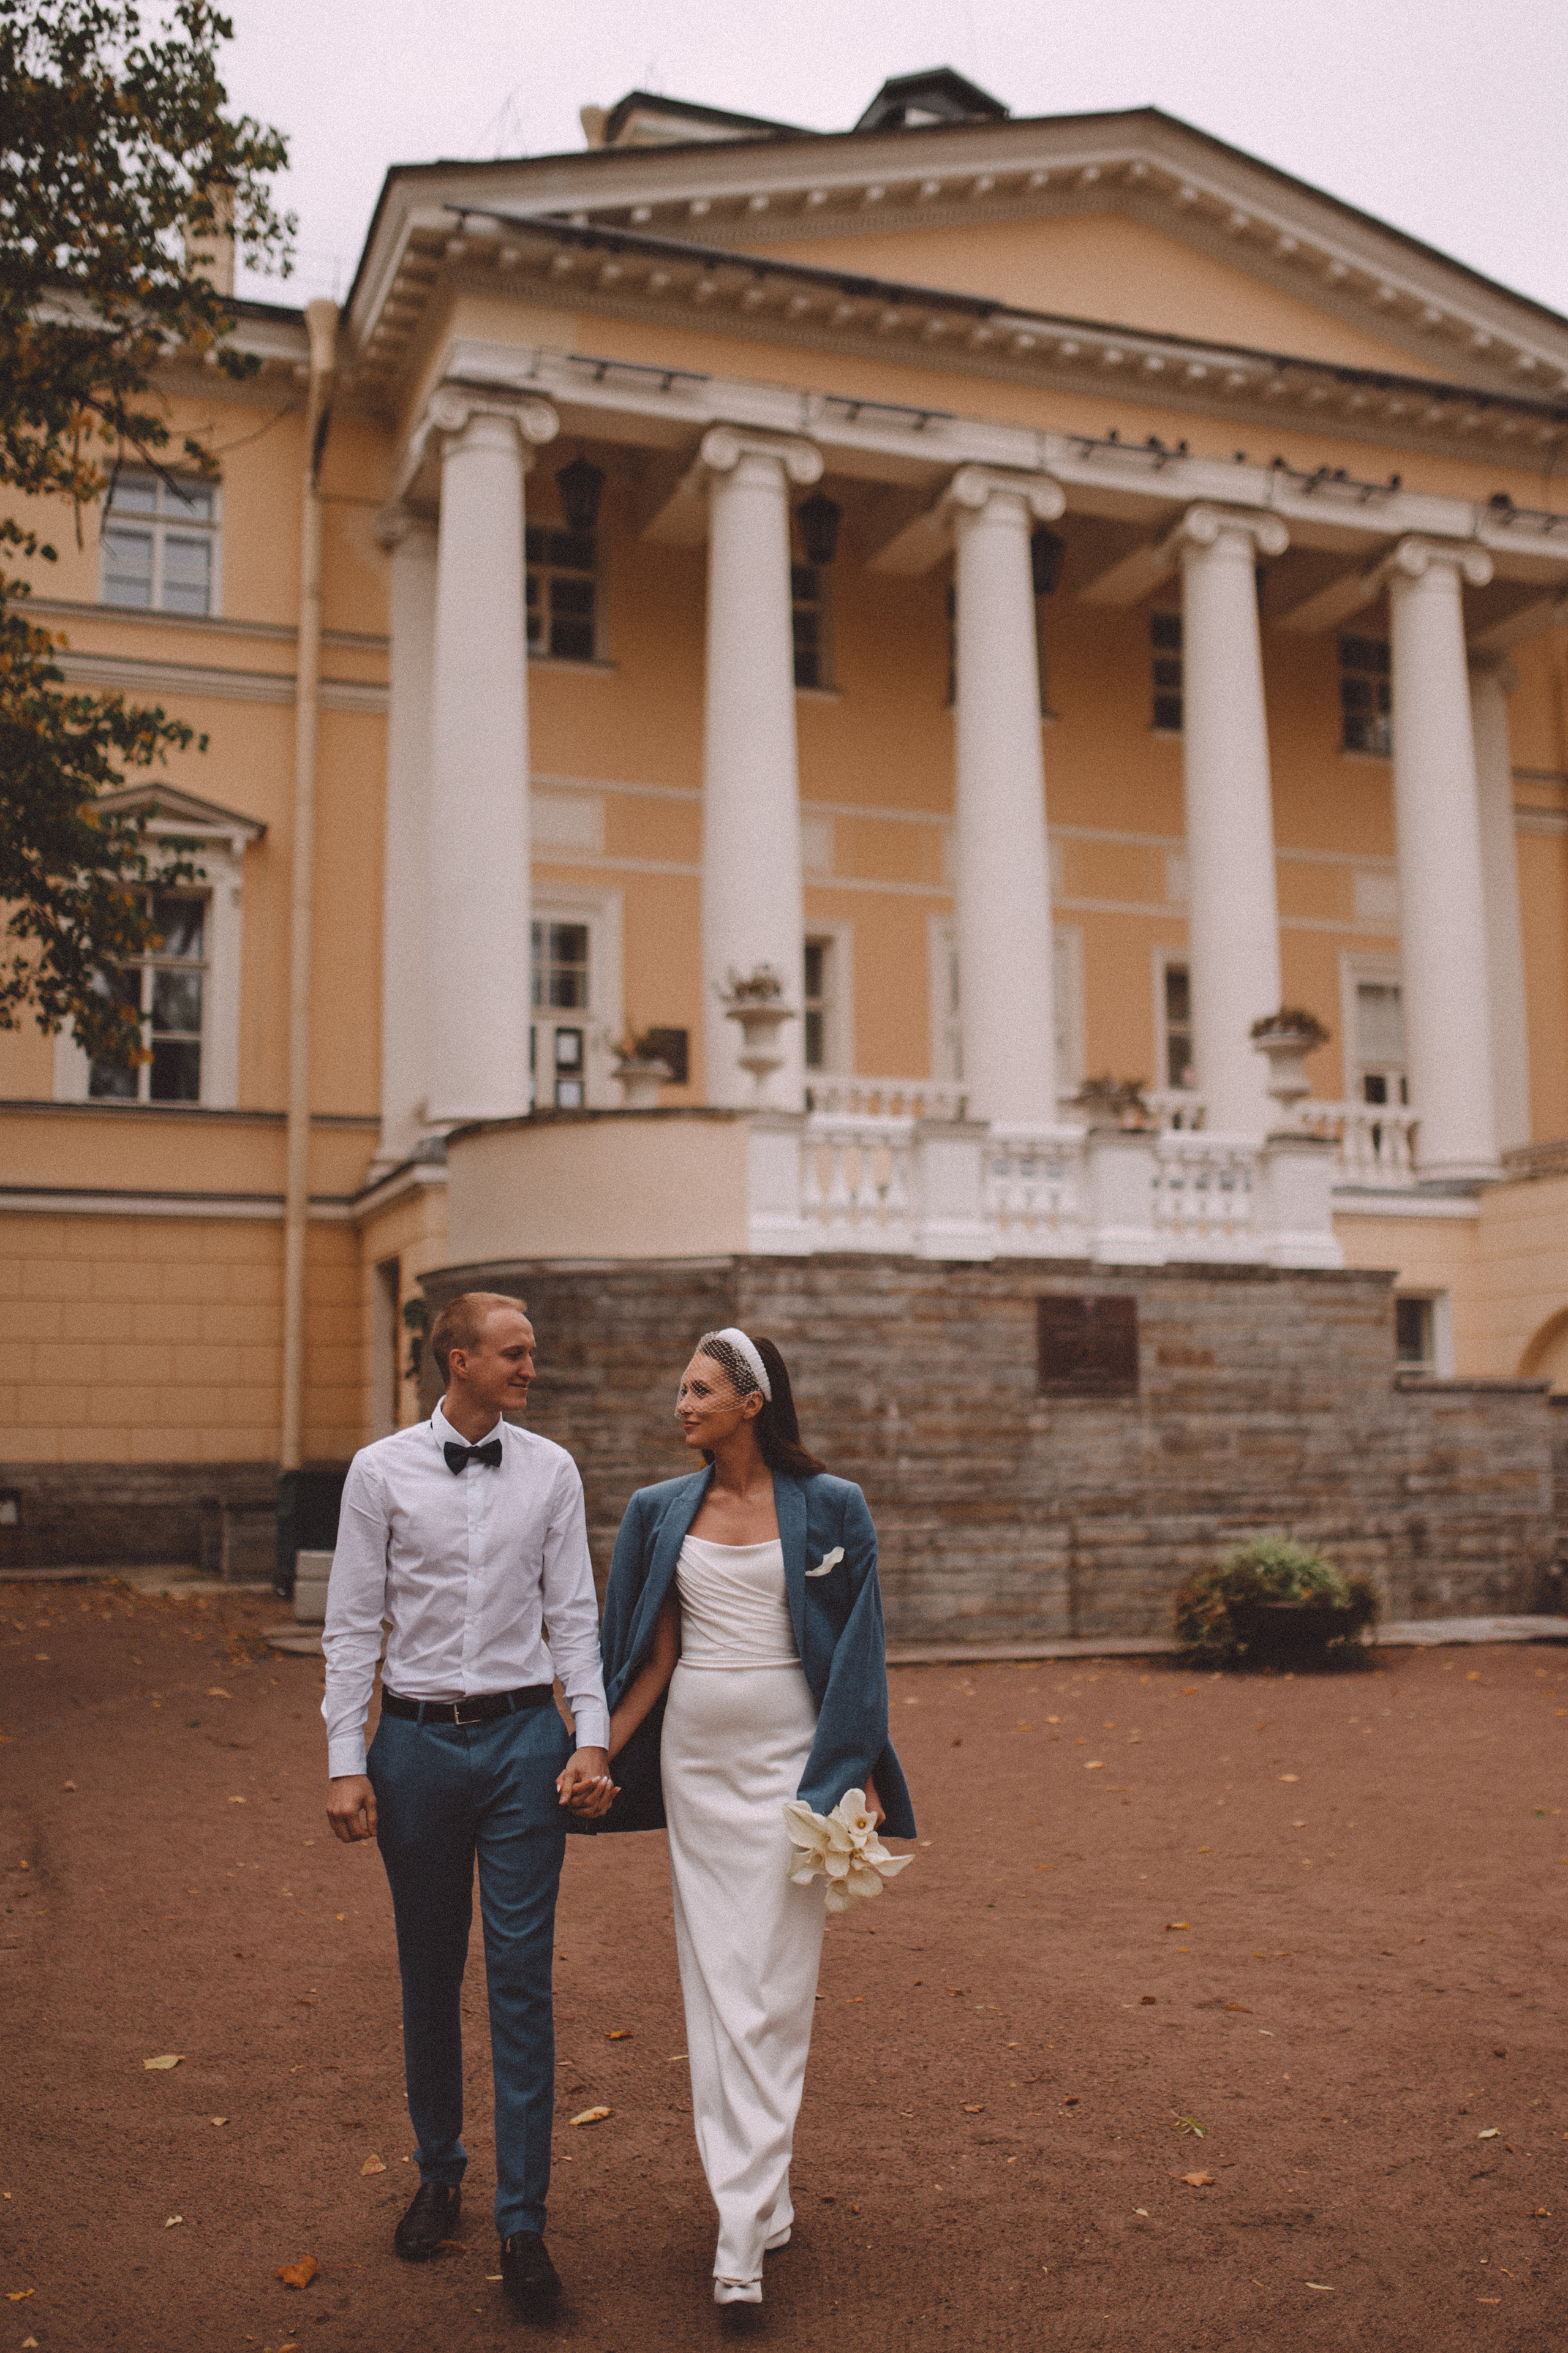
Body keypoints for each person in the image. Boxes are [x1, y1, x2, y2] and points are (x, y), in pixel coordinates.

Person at [598, 1327, 914, 2307]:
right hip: (697, 1763)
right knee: (716, 1980)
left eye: (698, 1388)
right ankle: (747, 2220)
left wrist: (848, 1770)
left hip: (797, 1765)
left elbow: (859, 1653)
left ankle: (748, 2205)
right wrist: (593, 1753)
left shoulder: (834, 1506)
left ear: (752, 1400)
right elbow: (643, 1658)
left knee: (775, 1986)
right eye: (680, 1388)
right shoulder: (655, 1511)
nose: (681, 1404)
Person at [322, 1291, 616, 2320]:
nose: (531, 1366)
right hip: (410, 1748)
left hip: (525, 1747)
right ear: (459, 1359)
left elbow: (575, 1614)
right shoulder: (379, 1470)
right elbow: (353, 1622)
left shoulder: (553, 1470)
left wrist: (591, 1734)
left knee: (521, 1979)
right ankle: (439, 2170)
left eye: (531, 1351)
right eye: (514, 1351)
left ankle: (522, 2218)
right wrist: (343, 1757)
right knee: (428, 1966)